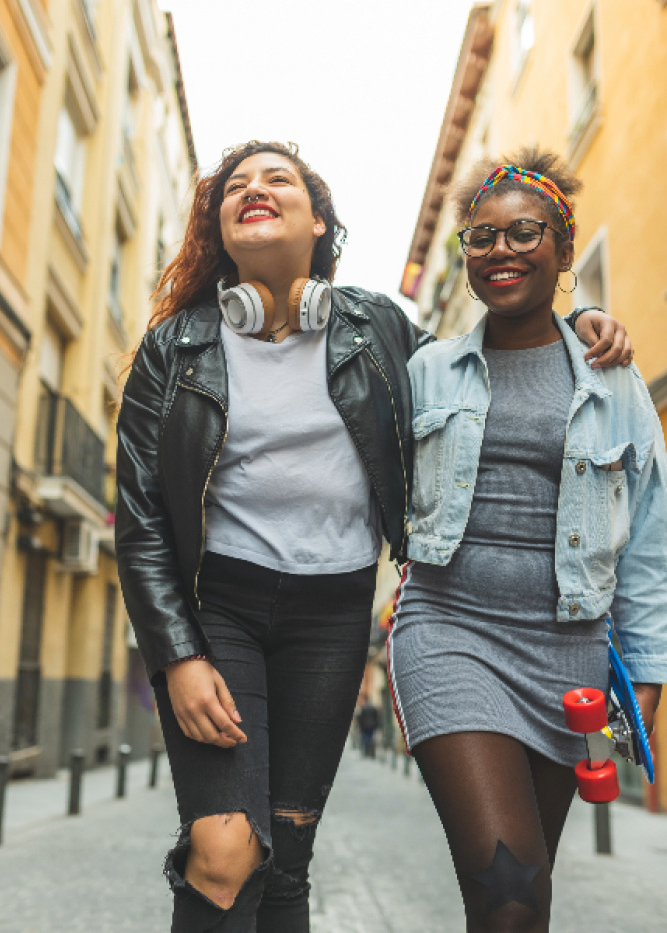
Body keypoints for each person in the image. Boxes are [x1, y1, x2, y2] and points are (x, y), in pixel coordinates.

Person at [115, 139, 630, 933]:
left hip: (332, 613)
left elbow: (482, 368)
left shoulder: (378, 330)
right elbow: (142, 517)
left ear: (317, 220)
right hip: (219, 611)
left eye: (276, 178)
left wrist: (575, 321)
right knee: (223, 851)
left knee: (287, 854)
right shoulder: (175, 348)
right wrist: (176, 655)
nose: (253, 189)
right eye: (234, 187)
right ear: (218, 228)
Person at [387, 147, 667, 933]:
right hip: (451, 631)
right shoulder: (428, 369)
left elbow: (648, 540)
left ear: (564, 248)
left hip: (570, 654)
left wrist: (646, 673)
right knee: (505, 889)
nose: (500, 250)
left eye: (524, 233)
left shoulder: (614, 379)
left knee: (532, 896)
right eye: (481, 237)